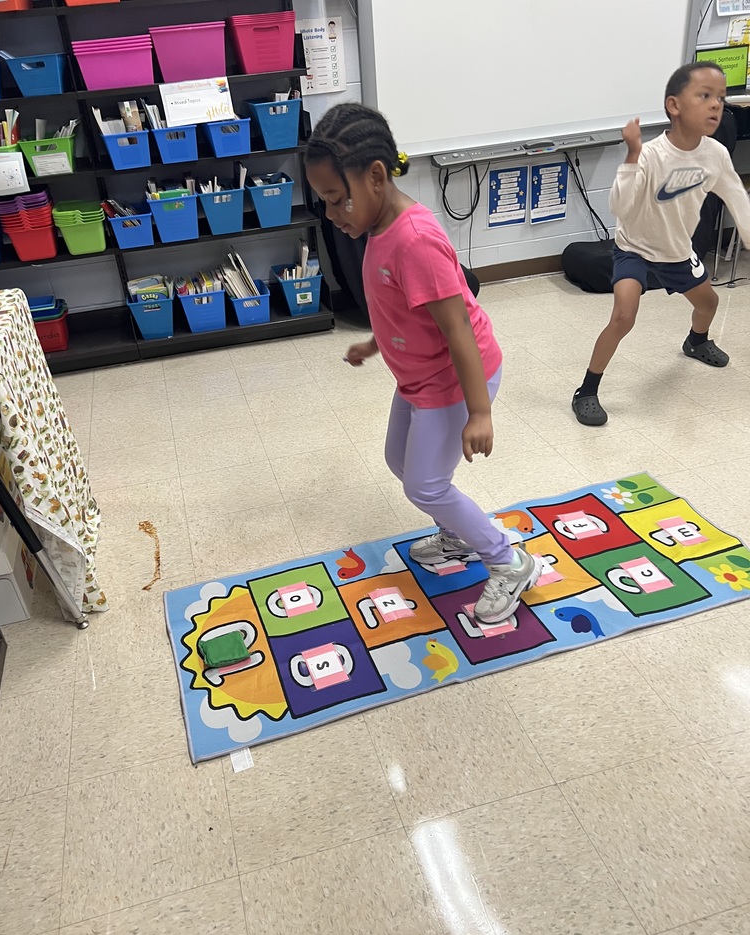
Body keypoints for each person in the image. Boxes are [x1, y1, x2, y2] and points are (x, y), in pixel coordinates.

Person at [305, 102, 540, 623]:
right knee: (400, 462)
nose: (331, 214)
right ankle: (458, 537)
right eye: (324, 201)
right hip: (418, 374)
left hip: (457, 378)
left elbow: (457, 329)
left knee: (425, 484)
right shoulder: (378, 230)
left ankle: (508, 559)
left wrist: (480, 412)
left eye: (336, 199)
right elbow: (403, 310)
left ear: (375, 177)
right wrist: (375, 343)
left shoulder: (414, 240)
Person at [572, 61, 750, 426]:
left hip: (677, 254)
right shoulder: (652, 154)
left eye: (721, 97)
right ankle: (587, 390)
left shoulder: (714, 155)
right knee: (624, 315)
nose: (717, 105)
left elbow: (736, 197)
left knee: (709, 303)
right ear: (674, 105)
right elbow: (619, 206)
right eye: (704, 96)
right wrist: (633, 155)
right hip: (634, 250)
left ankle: (696, 341)